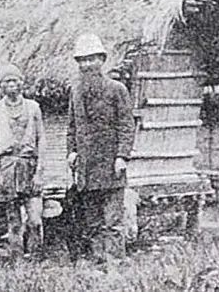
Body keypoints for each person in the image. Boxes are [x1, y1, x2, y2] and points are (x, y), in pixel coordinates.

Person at [66, 33, 137, 263]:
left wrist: (122, 156)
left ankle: (115, 262)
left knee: (112, 220)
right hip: (87, 167)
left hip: (110, 165)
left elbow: (127, 125)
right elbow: (72, 126)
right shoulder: (75, 92)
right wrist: (72, 151)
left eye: (91, 59)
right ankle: (98, 262)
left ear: (102, 60)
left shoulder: (117, 89)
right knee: (93, 221)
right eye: (82, 60)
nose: (87, 65)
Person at [0, 63, 45, 260]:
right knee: (13, 221)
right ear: (1, 86)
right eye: (7, 81)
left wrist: (39, 173)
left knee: (35, 220)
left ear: (22, 83)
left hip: (29, 165)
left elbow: (41, 139)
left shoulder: (34, 107)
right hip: (7, 167)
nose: (11, 84)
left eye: (15, 80)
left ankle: (35, 259)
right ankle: (17, 262)